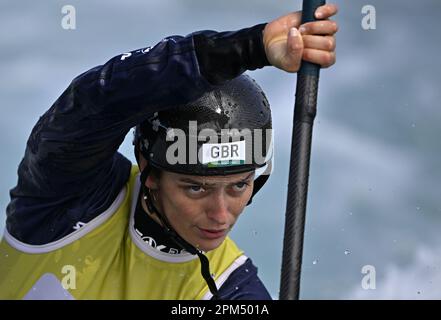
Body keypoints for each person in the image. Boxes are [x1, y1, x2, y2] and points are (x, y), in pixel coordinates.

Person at [0, 4, 338, 300]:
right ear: (148, 168)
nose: (220, 216)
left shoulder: (230, 291)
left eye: (238, 186)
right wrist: (251, 48)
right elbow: (99, 100)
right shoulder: (66, 197)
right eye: (196, 187)